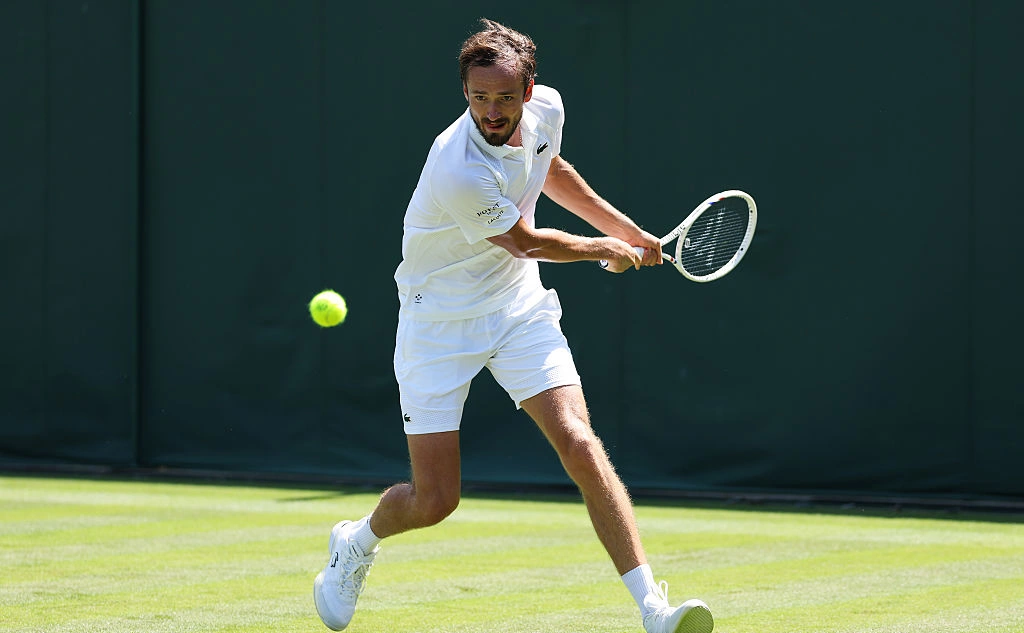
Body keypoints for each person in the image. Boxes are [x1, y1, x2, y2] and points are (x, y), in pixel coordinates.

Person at [314, 18, 714, 633]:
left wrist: (627, 231)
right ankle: (357, 541)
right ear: (465, 92)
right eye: (479, 97)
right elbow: (524, 241)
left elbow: (549, 169)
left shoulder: (547, 109)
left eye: (504, 97)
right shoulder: (457, 167)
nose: (492, 111)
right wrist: (602, 248)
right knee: (435, 500)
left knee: (579, 442)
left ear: (529, 91)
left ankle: (653, 610)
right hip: (437, 324)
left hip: (517, 308)